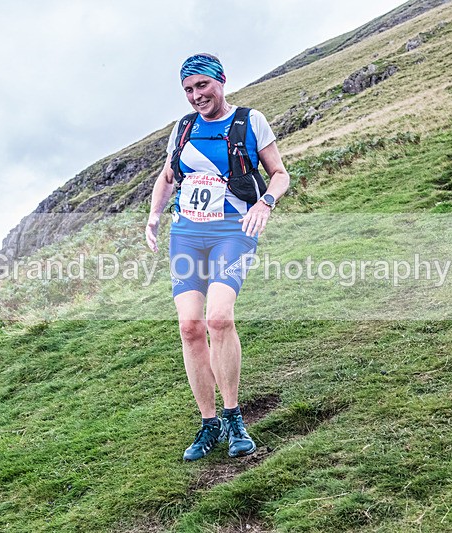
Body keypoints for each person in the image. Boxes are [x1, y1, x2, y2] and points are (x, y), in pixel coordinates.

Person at [145, 53, 290, 461]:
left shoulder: (250, 120)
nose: (196, 96)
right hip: (187, 235)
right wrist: (155, 216)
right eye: (188, 90)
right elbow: (169, 175)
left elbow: (280, 173)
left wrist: (264, 203)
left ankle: (233, 417)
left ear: (220, 81)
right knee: (190, 326)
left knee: (219, 318)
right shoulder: (184, 127)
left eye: (202, 86)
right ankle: (208, 423)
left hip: (232, 231)